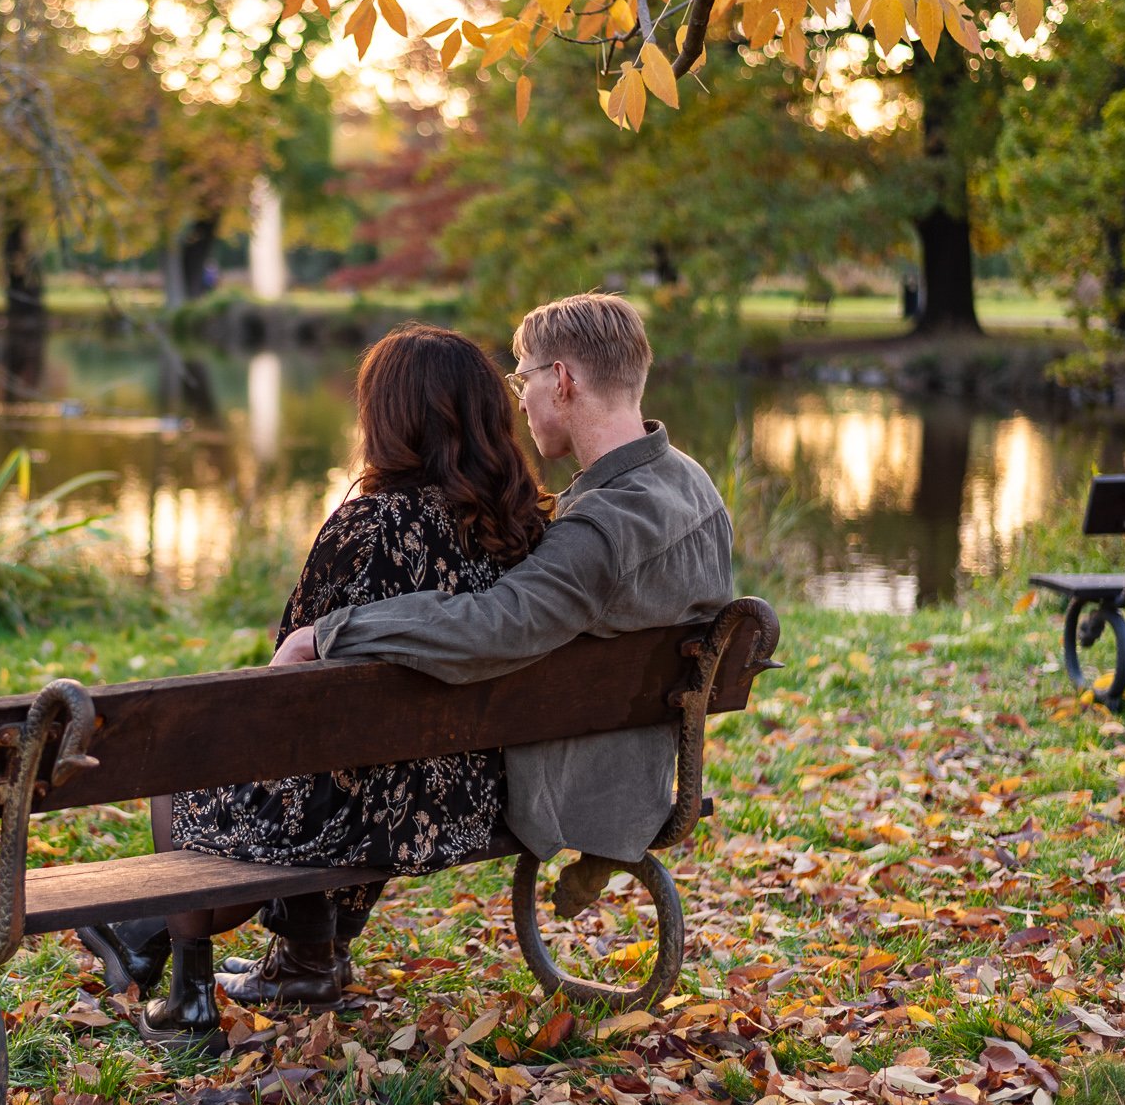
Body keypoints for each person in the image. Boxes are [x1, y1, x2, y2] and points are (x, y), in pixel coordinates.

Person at [80, 323, 551, 1046]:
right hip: (466, 797)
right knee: (339, 760)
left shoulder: (368, 525)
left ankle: (184, 987)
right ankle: (299, 956)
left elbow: (288, 687)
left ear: (389, 418)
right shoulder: (521, 530)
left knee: (181, 760)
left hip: (369, 804)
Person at [271, 291, 733, 943]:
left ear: (563, 380)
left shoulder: (601, 529)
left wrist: (330, 631)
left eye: (523, 377)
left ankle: (296, 951)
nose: (519, 399)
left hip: (560, 787)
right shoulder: (694, 487)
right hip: (642, 774)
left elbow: (492, 628)